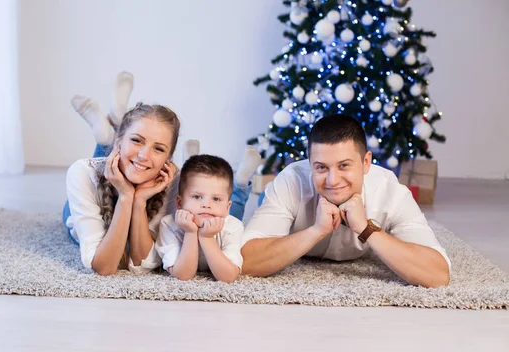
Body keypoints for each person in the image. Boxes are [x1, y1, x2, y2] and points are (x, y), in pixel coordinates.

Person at [63, 72, 261, 275]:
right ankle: (110, 130)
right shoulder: (82, 173)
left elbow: (144, 263)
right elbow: (104, 267)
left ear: (168, 157)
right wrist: (125, 196)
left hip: (131, 174)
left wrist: (139, 201)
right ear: (120, 139)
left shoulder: (172, 181)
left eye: (158, 149)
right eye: (136, 140)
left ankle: (113, 124)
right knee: (70, 214)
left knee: (127, 161)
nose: (143, 155)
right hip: (87, 201)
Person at [240, 114, 451, 288]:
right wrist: (315, 231)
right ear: (310, 162)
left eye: (344, 166)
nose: (332, 181)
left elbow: (438, 274)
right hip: (283, 210)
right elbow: (244, 260)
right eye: (321, 167)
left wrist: (367, 229)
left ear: (366, 162)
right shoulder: (290, 181)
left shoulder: (391, 192)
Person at [156, 155, 243, 283]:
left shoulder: (234, 227)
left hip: (226, 221)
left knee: (240, 210)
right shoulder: (169, 224)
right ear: (179, 203)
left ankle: (242, 182)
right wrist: (190, 233)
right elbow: (183, 275)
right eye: (197, 197)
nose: (206, 205)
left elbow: (228, 277)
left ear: (227, 207)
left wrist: (207, 238)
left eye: (216, 199)